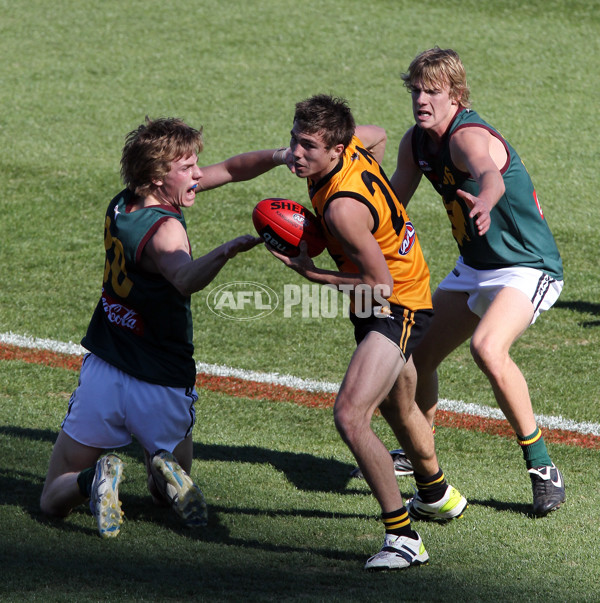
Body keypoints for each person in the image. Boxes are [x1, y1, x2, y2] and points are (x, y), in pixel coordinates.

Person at [40, 117, 291, 537]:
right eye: (189, 168)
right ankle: (161, 466)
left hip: (106, 369)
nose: (198, 175)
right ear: (158, 177)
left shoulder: (123, 203)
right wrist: (225, 252)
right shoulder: (168, 230)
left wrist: (280, 156)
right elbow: (183, 278)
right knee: (161, 494)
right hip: (162, 380)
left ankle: (93, 478)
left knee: (53, 497)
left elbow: (230, 169)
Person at [267, 94, 467, 571]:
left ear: (336, 150)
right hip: (384, 294)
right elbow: (374, 135)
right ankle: (436, 493)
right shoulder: (354, 146)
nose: (297, 153)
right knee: (399, 406)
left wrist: (313, 274)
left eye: (309, 146)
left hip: (395, 304)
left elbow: (380, 284)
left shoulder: (341, 209)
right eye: (295, 140)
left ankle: (403, 538)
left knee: (351, 415)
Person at [385, 47, 565, 517]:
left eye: (432, 91)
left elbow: (489, 173)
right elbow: (391, 206)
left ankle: (542, 468)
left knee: (487, 348)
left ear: (455, 95)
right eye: (416, 90)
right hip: (475, 266)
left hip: (528, 265)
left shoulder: (466, 136)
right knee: (414, 356)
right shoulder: (416, 142)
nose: (421, 99)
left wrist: (485, 200)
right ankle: (419, 450)